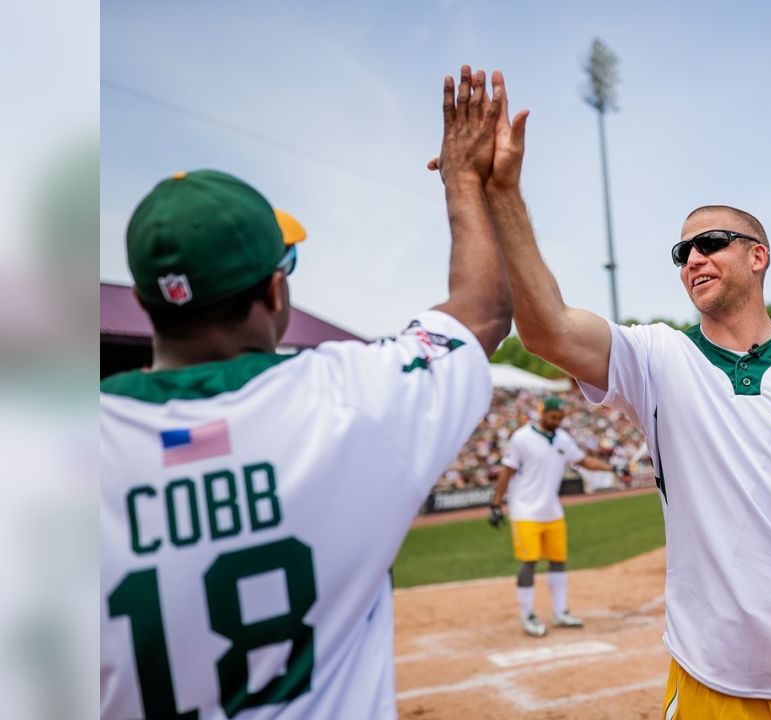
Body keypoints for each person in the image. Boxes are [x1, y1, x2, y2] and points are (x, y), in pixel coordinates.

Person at [455, 71, 771, 718]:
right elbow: (547, 328)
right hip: (716, 684)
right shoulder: (659, 357)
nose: (692, 257)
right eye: (682, 250)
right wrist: (504, 195)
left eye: (710, 243)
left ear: (759, 257)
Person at [100, 66, 511, 718]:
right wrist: (465, 180)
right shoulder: (347, 396)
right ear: (273, 291)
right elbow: (483, 313)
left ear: (148, 304)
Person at [488, 396, 625, 636]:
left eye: (560, 418)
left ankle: (560, 611)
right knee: (529, 562)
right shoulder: (521, 437)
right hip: (525, 510)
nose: (556, 421)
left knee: (558, 561)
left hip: (552, 510)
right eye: (553, 417)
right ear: (542, 413)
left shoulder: (563, 439)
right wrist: (496, 505)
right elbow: (506, 472)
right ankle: (527, 613)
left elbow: (584, 461)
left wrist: (612, 467)